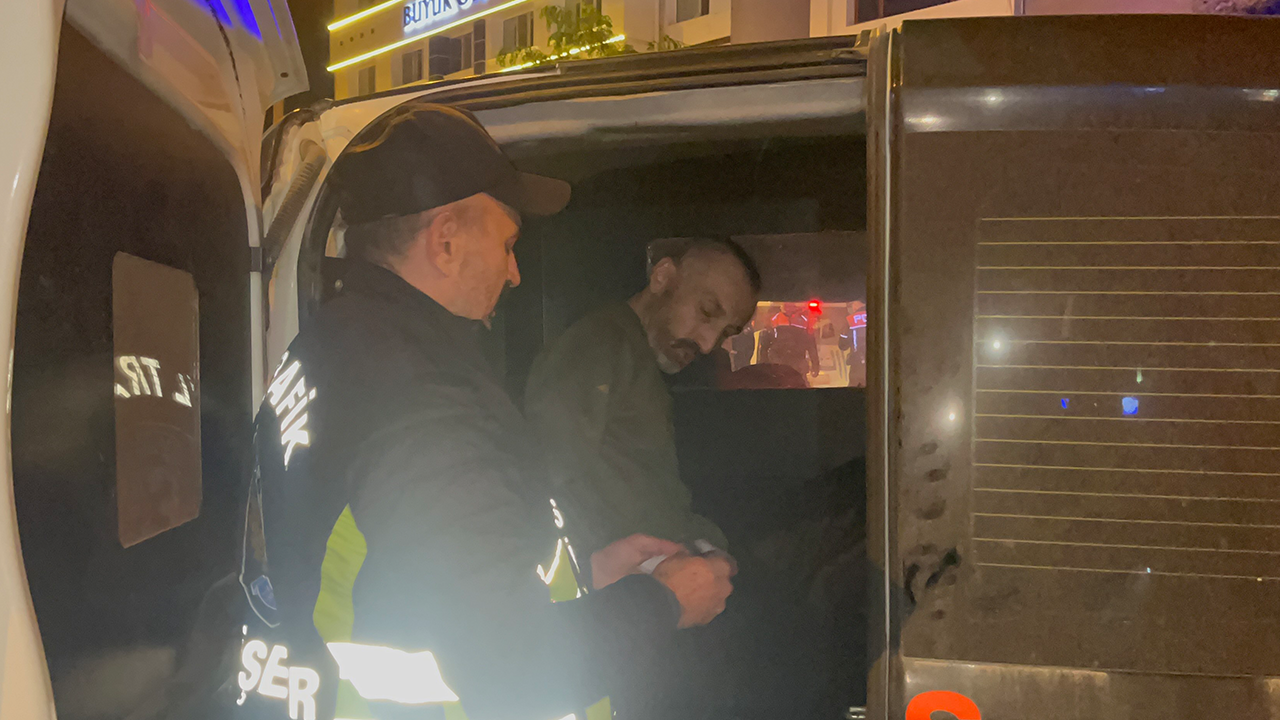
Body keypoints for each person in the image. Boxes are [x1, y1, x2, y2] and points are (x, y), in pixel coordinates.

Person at [239, 103, 733, 720]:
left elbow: (422, 567)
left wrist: (588, 575)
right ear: (446, 241)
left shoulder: (333, 344)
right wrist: (662, 603)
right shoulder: (425, 399)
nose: (515, 272)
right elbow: (511, 666)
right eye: (507, 243)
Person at [523, 237, 760, 564]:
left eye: (726, 333)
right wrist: (622, 574)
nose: (708, 344)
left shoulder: (636, 357)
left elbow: (658, 499)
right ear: (662, 277)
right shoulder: (597, 344)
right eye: (706, 312)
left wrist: (708, 550)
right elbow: (549, 481)